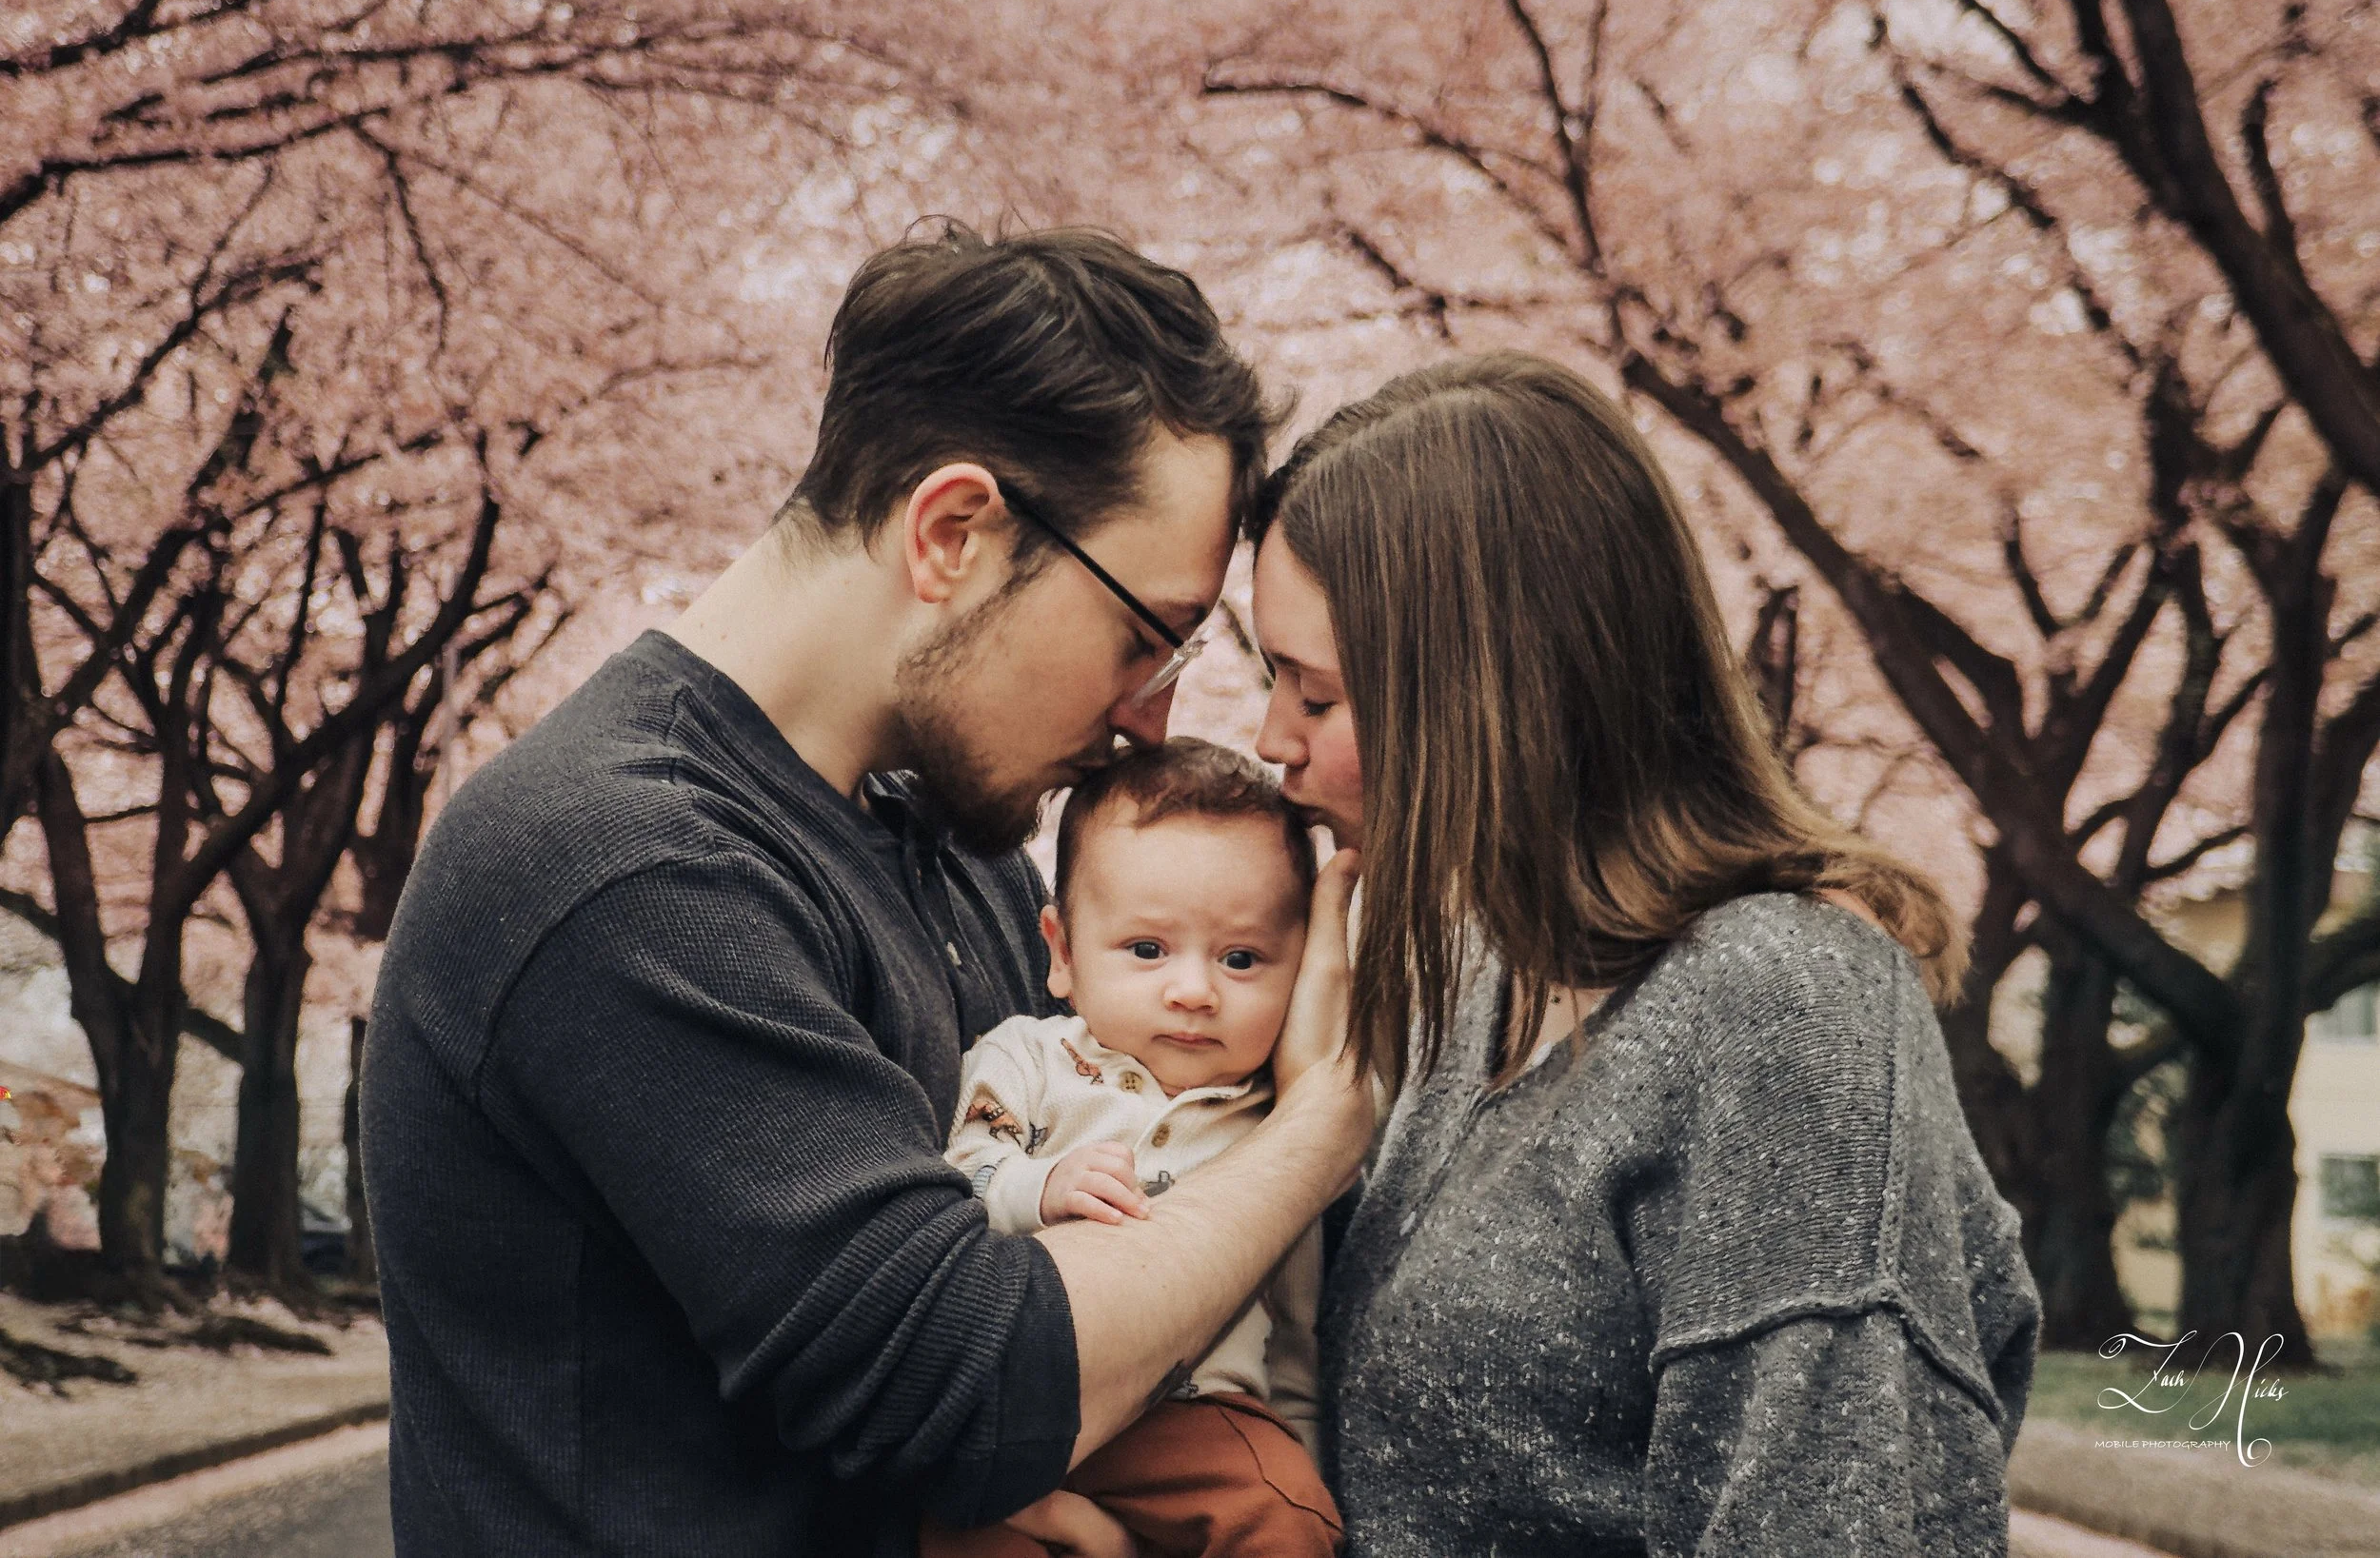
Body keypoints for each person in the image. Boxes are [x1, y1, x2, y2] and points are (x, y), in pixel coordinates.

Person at [361, 224, 1371, 1558]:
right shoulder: (621, 867)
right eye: (1144, 635)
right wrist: (1321, 1119)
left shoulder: (957, 849)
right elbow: (972, 1387)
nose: (1152, 717)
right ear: (954, 530)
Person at [1247, 352, 2043, 1556]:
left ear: (1484, 693)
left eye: (1314, 696)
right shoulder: (1473, 979)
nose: (1271, 744)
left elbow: (1838, 1517)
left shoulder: (1786, 1009)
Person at [923, 739, 1340, 1558]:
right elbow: (958, 1173)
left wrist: (1303, 1462)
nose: (1193, 989)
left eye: (1243, 958)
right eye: (1147, 949)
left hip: (1195, 1422)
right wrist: (1040, 1186)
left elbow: (1296, 1334)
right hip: (1029, 1397)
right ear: (1064, 951)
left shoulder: (1274, 1128)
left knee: (1284, 1519)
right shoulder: (1030, 1058)